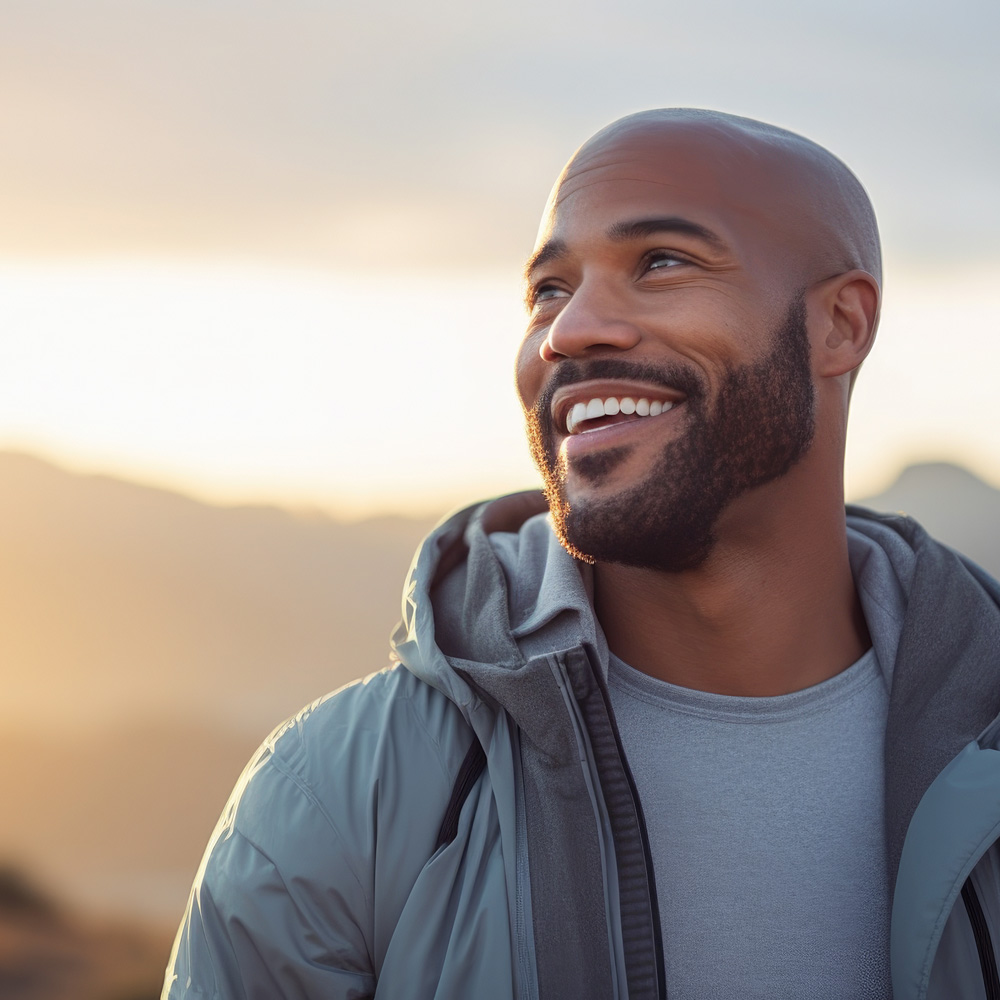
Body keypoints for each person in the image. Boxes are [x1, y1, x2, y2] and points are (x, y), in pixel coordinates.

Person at [163, 110, 1000, 1000]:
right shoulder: (341, 796)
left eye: (662, 263)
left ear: (841, 324)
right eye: (550, 290)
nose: (570, 331)